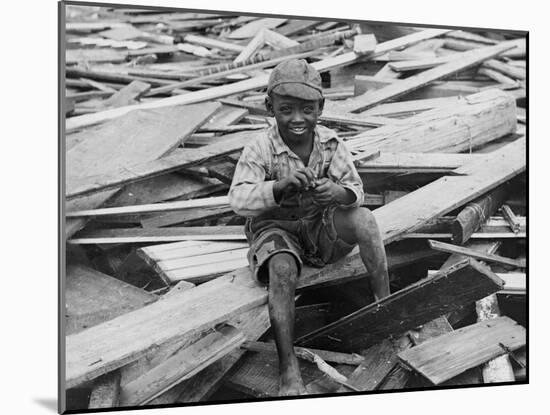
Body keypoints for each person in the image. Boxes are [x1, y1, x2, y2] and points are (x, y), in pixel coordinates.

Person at [228, 59, 390, 396]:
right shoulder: (259, 148)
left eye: (307, 110)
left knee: (365, 219)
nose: (297, 119)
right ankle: (288, 368)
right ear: (269, 106)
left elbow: (355, 189)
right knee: (283, 269)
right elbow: (239, 200)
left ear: (321, 107)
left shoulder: (331, 144)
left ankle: (385, 310)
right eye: (286, 109)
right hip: (277, 231)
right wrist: (279, 186)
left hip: (319, 228)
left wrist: (337, 192)